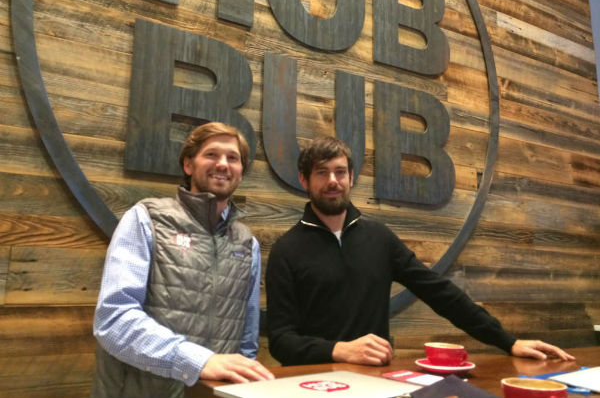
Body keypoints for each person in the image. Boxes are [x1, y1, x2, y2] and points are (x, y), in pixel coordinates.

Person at [266, 136, 574, 366]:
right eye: (322, 172)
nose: (333, 181)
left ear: (352, 177)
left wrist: (508, 341)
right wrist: (340, 350)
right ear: (304, 180)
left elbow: (440, 293)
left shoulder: (379, 238)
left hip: (376, 382)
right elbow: (281, 341)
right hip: (311, 384)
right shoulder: (286, 250)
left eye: (340, 172)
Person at [92, 122, 273, 398]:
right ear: (188, 164)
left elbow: (246, 341)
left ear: (240, 171)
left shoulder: (247, 243)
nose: (223, 164)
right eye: (211, 154)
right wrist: (197, 361)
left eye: (233, 158)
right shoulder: (146, 219)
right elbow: (113, 318)